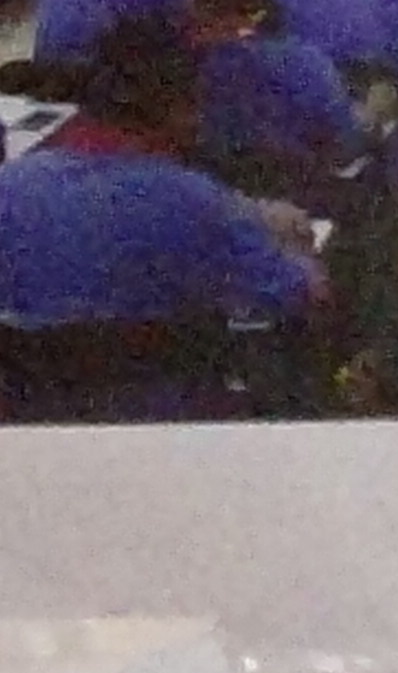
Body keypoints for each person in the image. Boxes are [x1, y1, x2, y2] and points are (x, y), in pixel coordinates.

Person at [0, 13, 331, 419]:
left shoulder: (10, 186)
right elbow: (306, 293)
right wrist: (291, 243)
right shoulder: (195, 203)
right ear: (180, 107)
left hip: (24, 430)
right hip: (165, 426)